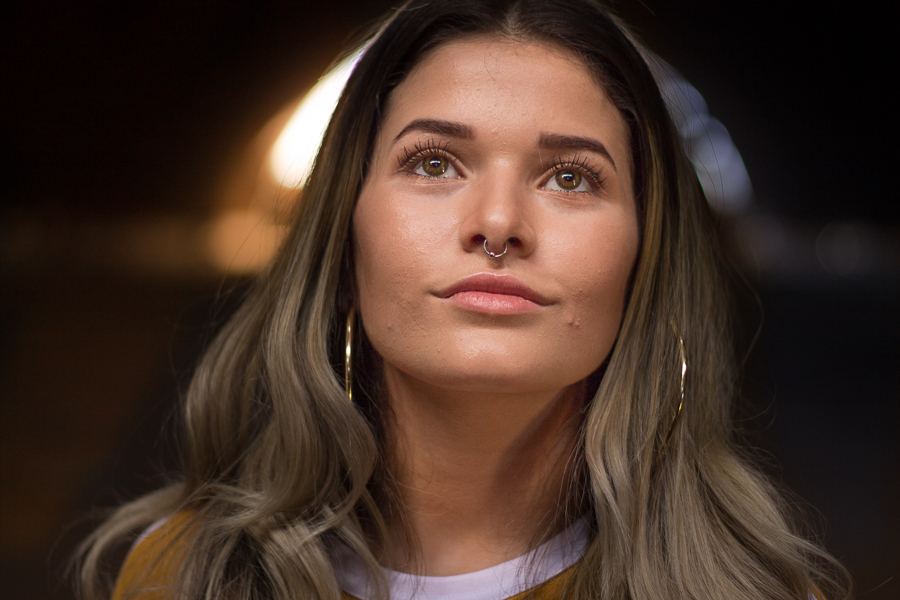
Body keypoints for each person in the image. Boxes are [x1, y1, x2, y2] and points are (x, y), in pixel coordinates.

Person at [74, 1, 850, 598]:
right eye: (436, 163)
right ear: (346, 237)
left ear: (645, 259)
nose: (499, 224)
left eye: (571, 177)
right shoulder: (181, 576)